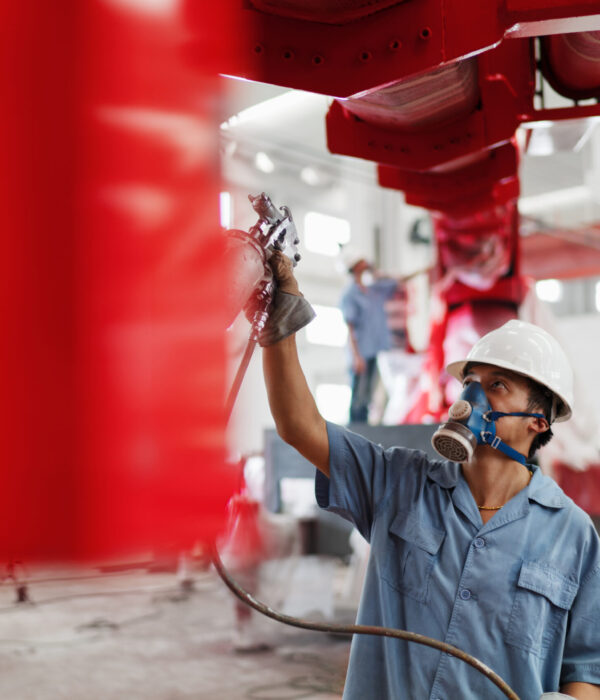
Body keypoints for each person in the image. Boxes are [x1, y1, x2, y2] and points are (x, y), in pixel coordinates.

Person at [259, 250, 600, 700]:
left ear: (539, 419)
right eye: (470, 383)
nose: (473, 398)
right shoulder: (397, 482)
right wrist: (278, 318)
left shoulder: (572, 535)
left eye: (496, 386)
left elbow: (585, 669)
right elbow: (300, 427)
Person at [338, 251, 400, 423]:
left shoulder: (372, 290)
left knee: (368, 396)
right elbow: (350, 327)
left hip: (374, 349)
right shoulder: (350, 294)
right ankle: (356, 430)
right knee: (359, 397)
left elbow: (395, 283)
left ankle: (363, 429)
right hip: (361, 351)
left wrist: (375, 271)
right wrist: (357, 357)